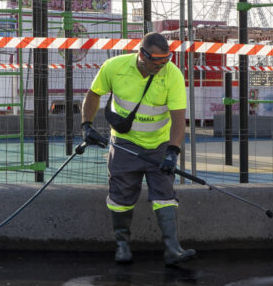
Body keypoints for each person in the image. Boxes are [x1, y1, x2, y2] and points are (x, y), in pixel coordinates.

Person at [80, 32, 195, 266]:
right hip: (124, 143)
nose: (162, 65)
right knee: (121, 196)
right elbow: (93, 94)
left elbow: (179, 118)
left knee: (165, 195)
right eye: (157, 60)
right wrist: (86, 126)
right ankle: (122, 246)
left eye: (166, 59)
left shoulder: (172, 75)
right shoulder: (114, 67)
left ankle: (173, 249)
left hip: (159, 144)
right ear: (142, 54)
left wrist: (172, 151)